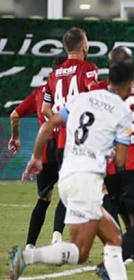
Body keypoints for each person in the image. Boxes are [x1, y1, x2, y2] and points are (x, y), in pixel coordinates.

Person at [9, 59, 134, 280]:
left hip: (67, 177)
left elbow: (48, 125)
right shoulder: (122, 112)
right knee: (80, 252)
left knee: (115, 238)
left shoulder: (81, 99)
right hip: (87, 181)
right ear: (128, 84)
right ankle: (28, 256)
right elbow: (121, 161)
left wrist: (37, 158)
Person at [92, 47, 134, 280]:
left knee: (131, 232)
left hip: (105, 173)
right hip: (132, 169)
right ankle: (107, 266)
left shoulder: (96, 90)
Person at [41, 28, 101, 243]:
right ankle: (113, 244)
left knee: (69, 190)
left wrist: (61, 121)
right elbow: (94, 92)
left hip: (61, 141)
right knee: (96, 189)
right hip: (83, 141)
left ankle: (57, 237)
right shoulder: (88, 68)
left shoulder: (54, 74)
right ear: (84, 46)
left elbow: (45, 109)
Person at [8, 56, 67, 250]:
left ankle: (29, 246)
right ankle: (57, 239)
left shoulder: (40, 92)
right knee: (68, 195)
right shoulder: (73, 91)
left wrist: (15, 137)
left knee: (44, 198)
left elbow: (14, 115)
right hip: (65, 145)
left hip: (45, 149)